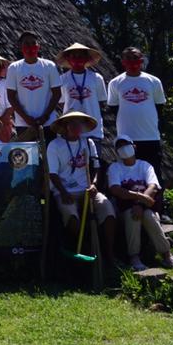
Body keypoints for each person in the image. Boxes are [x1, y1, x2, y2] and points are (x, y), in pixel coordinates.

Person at [46, 111, 115, 264]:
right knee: (71, 216)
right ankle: (85, 247)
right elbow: (52, 173)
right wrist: (63, 192)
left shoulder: (88, 143)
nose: (77, 126)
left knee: (108, 211)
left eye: (79, 123)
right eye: (72, 123)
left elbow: (96, 167)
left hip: (87, 190)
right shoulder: (55, 145)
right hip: (64, 191)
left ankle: (110, 254)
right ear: (65, 126)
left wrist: (94, 185)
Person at [109, 135, 173, 271]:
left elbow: (153, 186)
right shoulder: (115, 168)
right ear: (116, 151)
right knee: (133, 216)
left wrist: (139, 204)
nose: (124, 149)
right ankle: (134, 257)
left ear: (134, 147)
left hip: (147, 208)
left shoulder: (145, 165)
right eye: (120, 147)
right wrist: (139, 197)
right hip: (124, 209)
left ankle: (167, 255)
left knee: (148, 216)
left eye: (126, 145)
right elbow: (115, 189)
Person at [107, 47, 167, 181]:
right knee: (129, 177)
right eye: (128, 58)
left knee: (154, 174)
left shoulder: (154, 81)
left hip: (150, 136)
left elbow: (159, 106)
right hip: (126, 137)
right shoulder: (115, 83)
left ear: (141, 60)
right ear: (123, 61)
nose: (132, 61)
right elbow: (113, 107)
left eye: (135, 58)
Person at [5, 31, 61, 141]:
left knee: (49, 151)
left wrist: (45, 116)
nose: (30, 47)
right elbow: (11, 96)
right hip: (23, 123)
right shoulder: (14, 68)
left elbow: (57, 93)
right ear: (21, 47)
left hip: (48, 122)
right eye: (26, 44)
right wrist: (26, 118)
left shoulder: (49, 66)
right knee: (27, 152)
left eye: (33, 43)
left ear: (38, 46)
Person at [57, 43, 106, 142]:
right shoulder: (62, 79)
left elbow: (101, 102)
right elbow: (62, 103)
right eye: (74, 56)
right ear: (68, 59)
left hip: (93, 130)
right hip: (71, 131)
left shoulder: (97, 78)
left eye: (80, 56)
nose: (77, 58)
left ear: (87, 58)